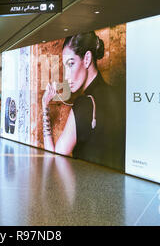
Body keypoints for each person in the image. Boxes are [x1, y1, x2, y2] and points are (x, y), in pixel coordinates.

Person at [42, 31, 124, 169]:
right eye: (65, 66)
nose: (66, 77)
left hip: (87, 187)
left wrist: (44, 107)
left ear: (87, 59)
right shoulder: (118, 94)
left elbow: (53, 159)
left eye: (71, 64)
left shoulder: (84, 104)